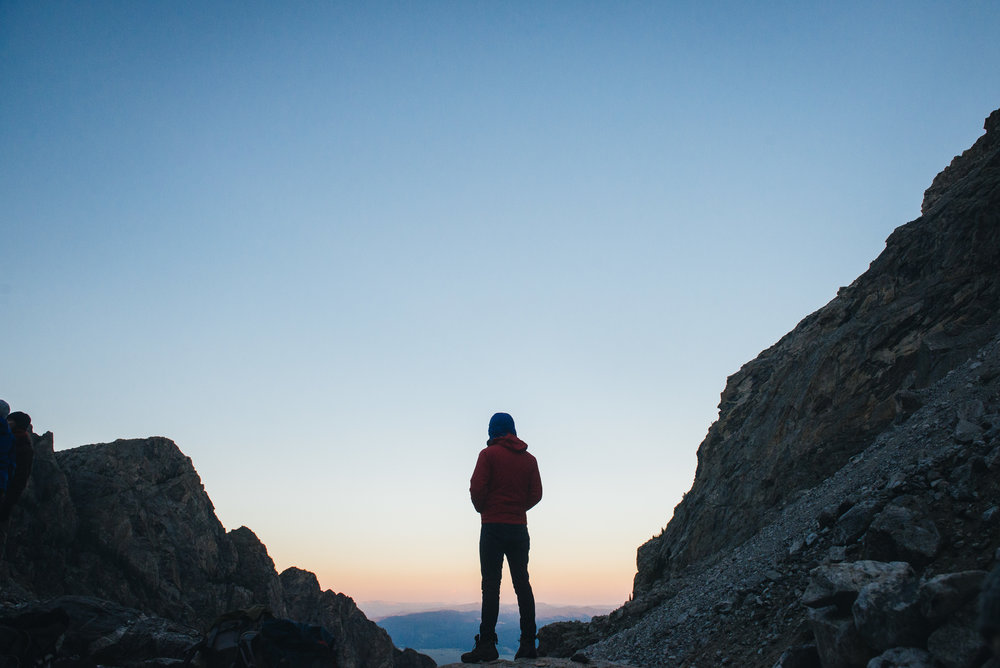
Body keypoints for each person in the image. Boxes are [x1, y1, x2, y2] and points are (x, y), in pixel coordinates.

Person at [462, 412, 543, 663]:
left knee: (491, 586)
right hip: (519, 528)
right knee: (522, 584)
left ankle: (487, 644)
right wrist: (517, 509)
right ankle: (528, 643)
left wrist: (485, 508)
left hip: (493, 527)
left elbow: (477, 489)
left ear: (492, 430)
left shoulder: (488, 455)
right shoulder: (530, 460)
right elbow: (536, 494)